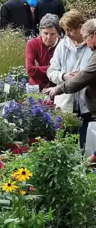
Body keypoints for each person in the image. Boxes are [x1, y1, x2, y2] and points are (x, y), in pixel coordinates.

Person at [46, 10, 93, 148]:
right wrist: (63, 76)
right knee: (65, 147)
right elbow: (51, 71)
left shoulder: (92, 46)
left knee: (86, 147)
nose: (66, 34)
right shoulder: (62, 46)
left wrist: (82, 77)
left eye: (70, 30)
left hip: (88, 107)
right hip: (66, 106)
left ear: (81, 27)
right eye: (65, 30)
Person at [25, 14, 60, 90]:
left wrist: (38, 68)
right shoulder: (32, 44)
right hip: (36, 87)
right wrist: (54, 70)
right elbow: (30, 70)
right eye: (46, 33)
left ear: (57, 33)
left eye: (52, 34)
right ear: (40, 31)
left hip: (56, 88)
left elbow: (66, 70)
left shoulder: (62, 44)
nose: (48, 37)